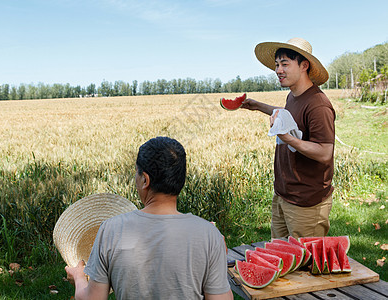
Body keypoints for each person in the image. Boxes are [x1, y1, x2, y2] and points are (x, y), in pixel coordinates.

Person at [65, 136, 233, 300]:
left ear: (145, 179)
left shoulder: (111, 229)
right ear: (180, 179)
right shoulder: (209, 234)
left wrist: (78, 278)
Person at [241, 38, 335, 239]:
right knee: (281, 259)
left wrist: (286, 138)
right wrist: (258, 106)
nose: (278, 70)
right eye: (277, 65)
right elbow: (291, 117)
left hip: (306, 202)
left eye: (285, 64)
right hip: (284, 195)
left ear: (304, 65)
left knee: (305, 267)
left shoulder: (318, 104)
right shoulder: (293, 96)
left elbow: (325, 152)